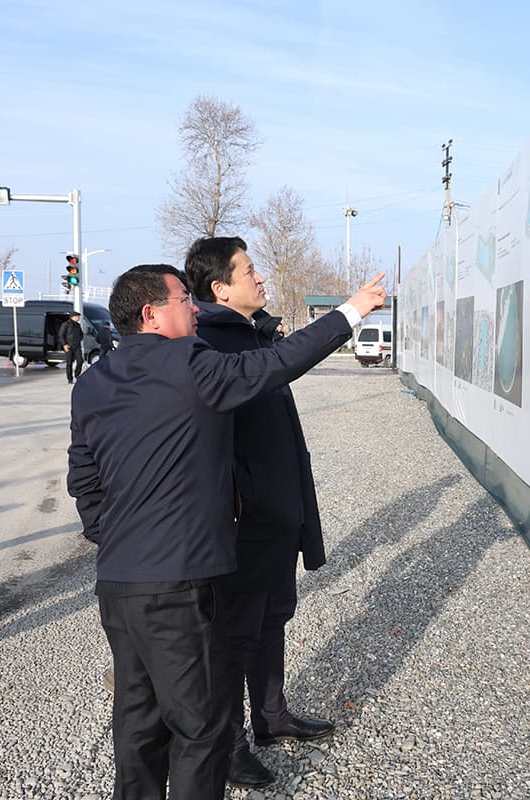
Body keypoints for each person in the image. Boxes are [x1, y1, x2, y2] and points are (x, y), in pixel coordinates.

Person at [68, 264, 384, 800]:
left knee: (139, 727)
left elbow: (84, 482)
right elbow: (276, 362)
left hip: (118, 585)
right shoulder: (187, 362)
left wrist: (123, 540)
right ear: (151, 315)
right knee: (202, 729)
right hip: (178, 585)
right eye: (182, 300)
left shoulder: (94, 380)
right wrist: (350, 312)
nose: (193, 309)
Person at [186, 237, 333, 789]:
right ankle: (228, 745)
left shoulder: (250, 334)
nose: (261, 278)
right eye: (249, 270)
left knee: (273, 618)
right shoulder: (211, 344)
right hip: (243, 523)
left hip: (276, 514)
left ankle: (272, 716)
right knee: (234, 635)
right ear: (220, 288)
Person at [60, 311, 84, 383]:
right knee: (69, 363)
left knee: (80, 361)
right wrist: (64, 345)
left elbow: (81, 334)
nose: (78, 318)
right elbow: (61, 335)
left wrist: (79, 340)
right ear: (73, 317)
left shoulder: (78, 325)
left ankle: (77, 375)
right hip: (69, 346)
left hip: (77, 346)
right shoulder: (66, 324)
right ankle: (70, 379)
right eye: (77, 316)